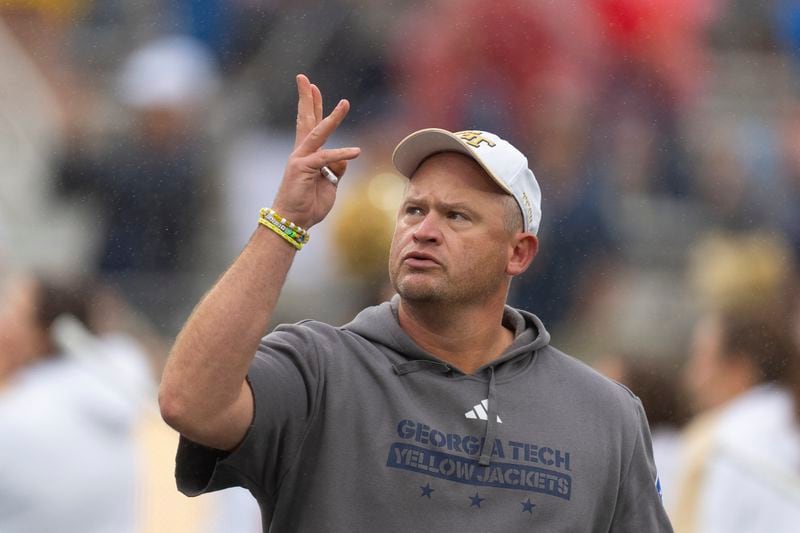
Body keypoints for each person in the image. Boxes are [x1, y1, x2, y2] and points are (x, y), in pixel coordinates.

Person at [159, 74, 672, 532]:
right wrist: (285, 223)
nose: (423, 231)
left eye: (456, 217)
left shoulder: (606, 416)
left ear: (518, 253)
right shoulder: (318, 368)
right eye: (413, 209)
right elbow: (190, 403)